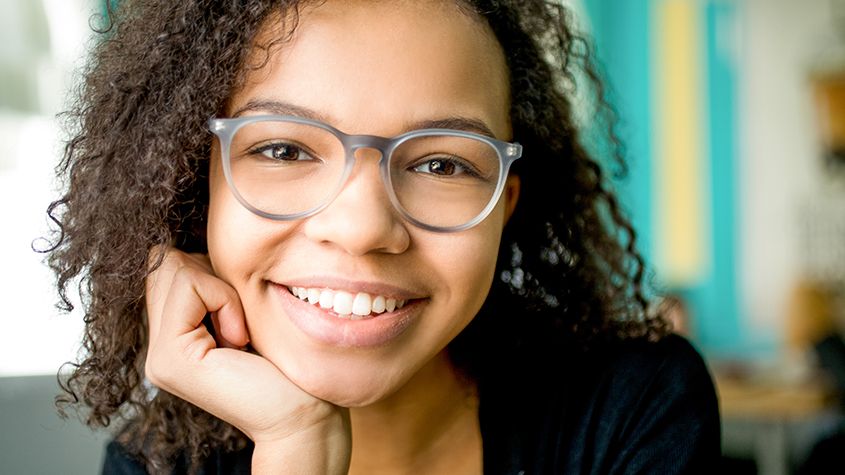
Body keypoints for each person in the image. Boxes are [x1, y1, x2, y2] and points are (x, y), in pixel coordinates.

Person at [44, 0, 721, 473]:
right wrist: (294, 445)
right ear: (198, 185)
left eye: (440, 163)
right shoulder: (157, 465)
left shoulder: (631, 408)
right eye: (283, 150)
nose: (362, 227)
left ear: (503, 206)